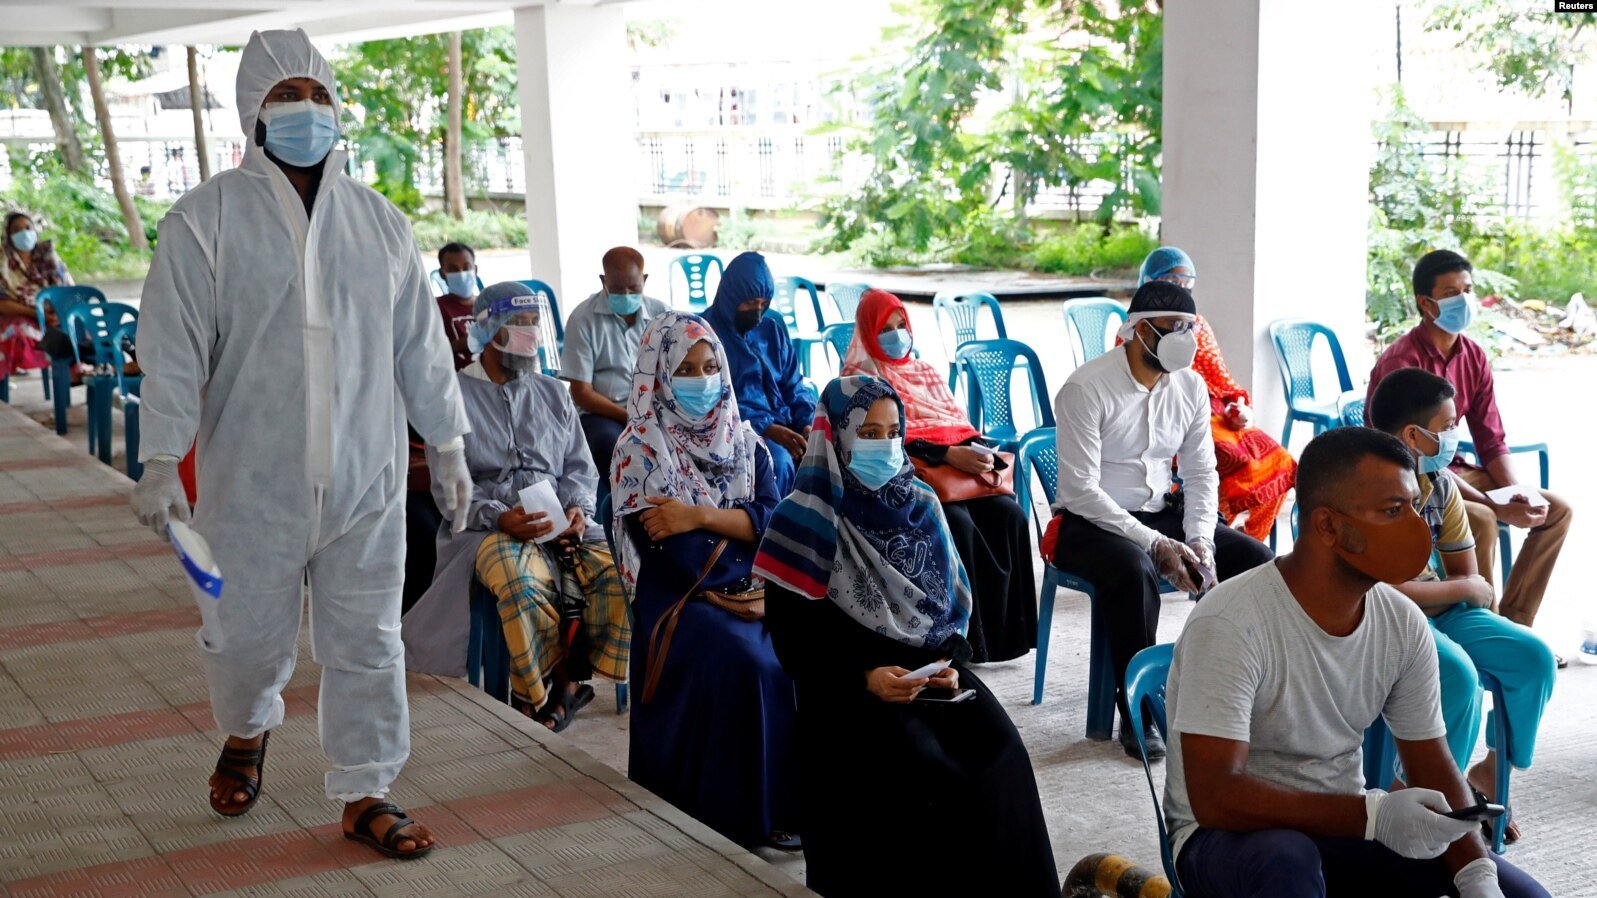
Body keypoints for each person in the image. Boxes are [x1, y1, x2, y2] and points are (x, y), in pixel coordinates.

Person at [129, 29, 473, 861]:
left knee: (367, 640)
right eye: (289, 95)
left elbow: (419, 346)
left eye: (319, 95)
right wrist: (158, 457)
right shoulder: (203, 220)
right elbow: (172, 349)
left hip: (367, 476)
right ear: (254, 112)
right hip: (251, 477)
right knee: (244, 637)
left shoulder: (379, 224)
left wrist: (451, 442)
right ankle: (247, 730)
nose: (308, 111)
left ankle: (366, 790)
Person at [1163, 427, 1550, 898]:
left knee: (1524, 896)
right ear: (1327, 526)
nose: (1416, 527)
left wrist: (1476, 875)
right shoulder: (1230, 622)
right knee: (1287, 860)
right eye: (1392, 510)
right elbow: (1216, 798)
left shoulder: (1401, 622)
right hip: (1230, 840)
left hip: (1345, 825)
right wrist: (1374, 816)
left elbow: (1431, 763)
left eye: (1411, 506)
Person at [756, 376, 1059, 898]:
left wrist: (946, 663)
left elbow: (949, 610)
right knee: (923, 767)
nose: (885, 444)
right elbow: (792, 640)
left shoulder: (920, 502)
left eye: (893, 431)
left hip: (931, 673)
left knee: (1001, 752)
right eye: (868, 431)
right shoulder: (803, 519)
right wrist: (865, 677)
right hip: (845, 686)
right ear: (837, 436)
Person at [1048, 279, 1274, 760]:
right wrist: (1154, 543)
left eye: (1189, 328)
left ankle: (1241, 693)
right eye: (1171, 328)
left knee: (1256, 560)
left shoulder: (1190, 386)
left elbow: (1199, 470)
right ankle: (1139, 711)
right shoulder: (1086, 388)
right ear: (1137, 330)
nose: (1183, 339)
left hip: (1158, 513)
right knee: (1133, 571)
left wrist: (1201, 541)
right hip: (1090, 522)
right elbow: (1080, 491)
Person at [611, 310, 798, 852]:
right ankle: (740, 814)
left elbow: (771, 521)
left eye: (710, 365)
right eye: (686, 368)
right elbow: (669, 546)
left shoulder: (744, 439)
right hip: (682, 598)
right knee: (749, 661)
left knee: (802, 649)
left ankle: (785, 805)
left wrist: (700, 515)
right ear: (660, 374)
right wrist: (735, 546)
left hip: (751, 589)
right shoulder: (642, 448)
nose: (702, 378)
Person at [404, 282, 629, 731]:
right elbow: (451, 490)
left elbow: (580, 467)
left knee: (618, 569)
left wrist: (578, 510)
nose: (530, 334)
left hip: (560, 522)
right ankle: (548, 686)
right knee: (520, 580)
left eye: (533, 324)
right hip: (485, 527)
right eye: (518, 324)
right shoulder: (452, 397)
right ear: (488, 331)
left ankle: (572, 677)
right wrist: (499, 516)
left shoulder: (552, 392)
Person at [1368, 367, 1556, 842]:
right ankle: (1431, 802)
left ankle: (1487, 776)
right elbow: (1388, 592)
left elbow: (1469, 579)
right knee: (1456, 674)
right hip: (1387, 615)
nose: (1456, 435)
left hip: (1441, 607)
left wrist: (1462, 591)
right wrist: (1463, 591)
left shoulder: (1441, 485)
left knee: (1532, 659)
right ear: (1414, 434)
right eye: (1449, 426)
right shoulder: (1368, 485)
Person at [1367, 250, 1571, 643]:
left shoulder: (1473, 356)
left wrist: (1515, 493)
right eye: (1451, 292)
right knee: (1478, 519)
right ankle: (1486, 630)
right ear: (1426, 304)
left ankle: (1514, 625)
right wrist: (1494, 505)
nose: (1463, 300)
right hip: (1415, 474)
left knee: (1556, 510)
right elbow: (1415, 456)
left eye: (1468, 290)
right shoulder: (1403, 362)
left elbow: (1491, 438)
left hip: (1458, 467)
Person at [840, 288, 1037, 662]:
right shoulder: (860, 377)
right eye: (886, 328)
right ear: (867, 331)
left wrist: (979, 452)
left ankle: (1006, 638)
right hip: (906, 476)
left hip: (955, 469)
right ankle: (968, 638)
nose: (897, 335)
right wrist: (948, 454)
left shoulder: (924, 371)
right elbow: (888, 442)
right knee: (957, 526)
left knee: (1010, 515)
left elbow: (956, 422)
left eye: (902, 325)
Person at [1139, 247, 1296, 543]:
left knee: (1279, 461)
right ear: (1149, 282)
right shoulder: (1138, 328)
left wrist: (1238, 406)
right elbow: (1138, 391)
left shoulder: (1197, 324)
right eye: (1172, 281)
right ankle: (1214, 536)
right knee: (1230, 460)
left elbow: (1220, 377)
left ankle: (1251, 541)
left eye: (1186, 282)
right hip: (1167, 418)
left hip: (1215, 415)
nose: (1180, 288)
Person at [703, 251, 814, 495]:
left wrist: (806, 422)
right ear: (732, 297)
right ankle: (772, 530)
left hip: (784, 425)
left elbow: (793, 385)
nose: (758, 311)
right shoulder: (704, 334)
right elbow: (711, 400)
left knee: (825, 457)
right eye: (750, 303)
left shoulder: (770, 330)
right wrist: (765, 427)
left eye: (764, 304)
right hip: (733, 430)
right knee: (779, 463)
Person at [562, 246, 669, 486]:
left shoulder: (662, 314)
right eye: (618, 289)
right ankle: (622, 512)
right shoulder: (583, 319)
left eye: (634, 288)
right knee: (614, 447)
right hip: (603, 413)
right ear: (603, 281)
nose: (627, 294)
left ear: (645, 280)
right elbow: (582, 393)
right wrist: (629, 416)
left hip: (654, 408)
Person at [0, 212, 74, 383]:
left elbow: (66, 289)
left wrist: (57, 313)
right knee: (19, 332)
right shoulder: (3, 262)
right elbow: (2, 304)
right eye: (17, 230)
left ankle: (73, 373)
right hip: (20, 316)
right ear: (8, 236)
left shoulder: (47, 257)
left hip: (51, 317)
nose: (24, 233)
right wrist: (38, 314)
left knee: (78, 328)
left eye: (28, 228)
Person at [435, 242, 479, 370]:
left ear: (475, 270)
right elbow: (426, 352)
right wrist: (459, 345)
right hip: (457, 381)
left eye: (466, 267)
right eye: (453, 269)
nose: (461, 273)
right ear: (443, 273)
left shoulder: (489, 305)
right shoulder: (435, 308)